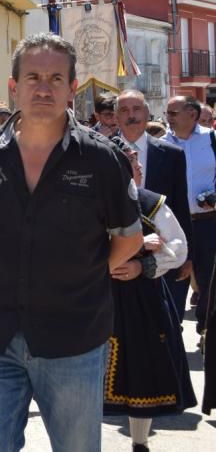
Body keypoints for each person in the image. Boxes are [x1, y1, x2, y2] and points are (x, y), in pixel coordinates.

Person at [0, 33, 143, 452]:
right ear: (13, 86)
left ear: (72, 88)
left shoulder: (101, 159)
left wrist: (80, 274)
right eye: (34, 77)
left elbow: (128, 241)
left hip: (74, 340)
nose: (44, 87)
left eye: (56, 78)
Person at [105, 138, 195, 452]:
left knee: (141, 366)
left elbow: (178, 246)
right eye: (131, 161)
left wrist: (144, 266)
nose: (138, 165)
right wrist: (143, 242)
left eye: (137, 160)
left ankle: (140, 442)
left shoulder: (150, 202)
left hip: (142, 298)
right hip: (97, 298)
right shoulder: (90, 204)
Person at [116, 89, 193, 320]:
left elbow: (180, 205)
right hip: (119, 260)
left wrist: (188, 257)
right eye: (124, 110)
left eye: (137, 109)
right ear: (116, 116)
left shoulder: (172, 154)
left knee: (166, 322)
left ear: (148, 114)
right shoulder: (99, 151)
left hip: (162, 255)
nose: (131, 115)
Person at [163, 95, 216, 334]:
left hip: (207, 223)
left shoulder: (212, 140)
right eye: (168, 113)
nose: (168, 118)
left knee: (209, 283)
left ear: (192, 115)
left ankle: (205, 329)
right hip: (173, 226)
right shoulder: (161, 143)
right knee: (173, 282)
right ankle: (172, 333)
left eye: (173, 113)